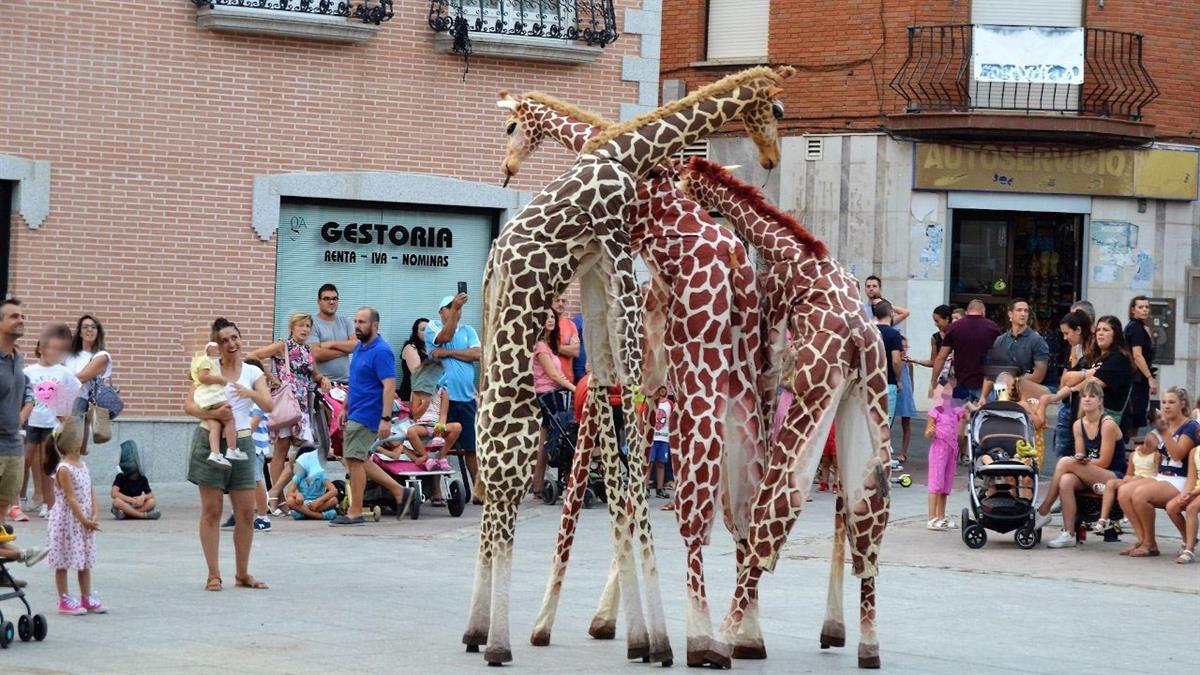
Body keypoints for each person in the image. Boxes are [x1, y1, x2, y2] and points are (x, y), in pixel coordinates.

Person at [184, 318, 273, 591]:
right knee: (211, 511)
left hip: (243, 443)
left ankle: (242, 573)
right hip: (210, 440)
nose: (231, 344)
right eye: (224, 340)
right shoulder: (207, 368)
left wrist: (249, 393)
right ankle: (213, 574)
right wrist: (212, 414)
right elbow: (189, 405)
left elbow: (268, 404)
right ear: (217, 345)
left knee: (246, 513)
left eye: (234, 338)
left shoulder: (252, 372)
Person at [331, 307, 416, 526]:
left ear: (375, 325)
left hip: (369, 413)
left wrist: (385, 419)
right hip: (355, 411)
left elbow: (389, 386)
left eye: (362, 322)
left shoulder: (382, 351)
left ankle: (355, 512)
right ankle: (400, 491)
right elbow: (355, 380)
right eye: (356, 321)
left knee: (355, 461)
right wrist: (344, 407)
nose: (357, 326)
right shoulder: (359, 348)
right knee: (356, 459)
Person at [248, 313, 332, 514]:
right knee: (282, 450)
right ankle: (278, 500)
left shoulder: (307, 349)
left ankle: (276, 494)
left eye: (308, 326)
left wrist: (322, 379)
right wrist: (270, 377)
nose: (304, 330)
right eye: (301, 326)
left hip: (303, 405)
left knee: (307, 448)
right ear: (292, 327)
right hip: (287, 402)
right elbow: (252, 356)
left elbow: (313, 373)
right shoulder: (283, 345)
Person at [1034, 381, 1127, 549]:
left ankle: (1044, 510)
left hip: (1112, 475)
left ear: (1100, 400)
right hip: (1090, 473)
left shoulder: (1108, 424)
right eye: (1084, 396)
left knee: (1065, 462)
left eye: (1092, 396)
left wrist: (1082, 462)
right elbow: (1079, 456)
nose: (1087, 399)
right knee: (1066, 480)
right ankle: (1068, 533)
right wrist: (1080, 460)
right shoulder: (1078, 425)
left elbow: (1105, 462)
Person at [0, 298, 49, 575]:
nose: (20, 320)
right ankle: (20, 555)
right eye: (13, 316)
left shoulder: (18, 359)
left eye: (22, 316)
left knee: (2, 518)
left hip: (12, 446)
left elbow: (27, 393)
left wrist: (17, 420)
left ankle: (2, 571)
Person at [1117, 387, 1196, 557]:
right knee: (1123, 492)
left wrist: (1165, 432)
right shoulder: (1167, 426)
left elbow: (1177, 455)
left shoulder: (1190, 426)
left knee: (1140, 495)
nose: (1166, 406)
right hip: (1163, 476)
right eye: (1164, 402)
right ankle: (1142, 539)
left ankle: (1150, 544)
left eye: (1172, 402)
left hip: (1182, 478)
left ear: (1182, 404)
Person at [43, 419, 105, 615]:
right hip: (67, 522)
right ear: (73, 442)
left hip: (83, 520)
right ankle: (64, 599)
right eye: (81, 438)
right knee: (63, 559)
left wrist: (94, 513)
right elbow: (70, 498)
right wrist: (84, 519)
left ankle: (86, 596)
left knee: (84, 560)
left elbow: (90, 490)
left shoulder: (82, 465)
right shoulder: (64, 469)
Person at [18, 323, 78, 521]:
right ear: (40, 349)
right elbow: (20, 394)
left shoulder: (62, 372)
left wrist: (65, 412)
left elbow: (74, 389)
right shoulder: (28, 371)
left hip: (50, 424)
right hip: (30, 422)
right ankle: (20, 499)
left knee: (47, 464)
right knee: (24, 460)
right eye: (48, 347)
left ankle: (48, 503)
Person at [426, 292, 482, 493]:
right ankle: (436, 492)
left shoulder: (468, 330)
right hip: (444, 398)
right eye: (450, 306)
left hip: (466, 398)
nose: (455, 309)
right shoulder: (433, 327)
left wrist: (448, 352)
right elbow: (445, 336)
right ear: (441, 311)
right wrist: (460, 353)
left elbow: (477, 354)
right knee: (439, 444)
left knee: (471, 447)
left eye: (457, 306)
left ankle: (478, 490)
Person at [1092, 409, 1162, 535]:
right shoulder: (1136, 454)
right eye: (1158, 417)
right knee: (1112, 483)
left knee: (1130, 482)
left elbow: (1157, 474)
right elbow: (1129, 474)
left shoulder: (1157, 453)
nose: (1145, 444)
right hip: (1134, 479)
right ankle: (1102, 520)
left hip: (1149, 480)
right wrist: (1128, 479)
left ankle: (1110, 491)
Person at [530, 309, 576, 501]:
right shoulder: (541, 346)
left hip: (557, 394)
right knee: (547, 441)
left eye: (552, 317)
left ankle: (545, 485)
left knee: (559, 439)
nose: (550, 320)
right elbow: (554, 375)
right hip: (546, 396)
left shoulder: (550, 344)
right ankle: (538, 487)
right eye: (546, 317)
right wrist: (576, 389)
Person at [1040, 311, 1093, 459]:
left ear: (1078, 330)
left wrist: (1076, 378)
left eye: (1066, 333)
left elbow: (1071, 380)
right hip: (1070, 402)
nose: (1065, 338)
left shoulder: (1093, 349)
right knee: (1063, 449)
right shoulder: (1075, 348)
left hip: (1083, 406)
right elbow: (1066, 380)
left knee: (1077, 451)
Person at [929, 298, 1002, 403]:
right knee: (985, 416)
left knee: (960, 417)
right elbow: (999, 357)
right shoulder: (993, 328)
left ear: (967, 312)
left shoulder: (954, 327)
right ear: (983, 312)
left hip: (961, 383)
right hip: (985, 385)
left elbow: (941, 357)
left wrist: (933, 381)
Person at [981, 298, 1049, 401]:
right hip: (1003, 395)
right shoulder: (1000, 340)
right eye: (1019, 310)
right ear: (1010, 314)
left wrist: (1012, 382)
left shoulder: (1037, 341)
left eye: (1026, 311)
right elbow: (991, 373)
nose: (1023, 314)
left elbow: (1039, 375)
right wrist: (983, 396)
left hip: (1028, 396)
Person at [64, 314, 114, 455]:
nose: (89, 330)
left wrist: (61, 379)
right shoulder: (69, 354)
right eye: (85, 327)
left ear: (98, 331)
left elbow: (83, 377)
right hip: (61, 403)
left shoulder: (102, 356)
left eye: (93, 327)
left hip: (80, 404)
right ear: (79, 331)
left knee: (72, 451)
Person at [190, 341, 242, 469]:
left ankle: (215, 453)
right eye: (215, 349)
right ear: (208, 349)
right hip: (211, 396)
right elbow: (203, 377)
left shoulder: (198, 362)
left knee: (215, 426)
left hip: (204, 399)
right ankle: (232, 449)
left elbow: (194, 376)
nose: (217, 351)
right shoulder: (205, 360)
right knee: (229, 417)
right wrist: (221, 380)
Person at [924, 370, 966, 530]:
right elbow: (928, 432)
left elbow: (966, 414)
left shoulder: (955, 410)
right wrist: (930, 432)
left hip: (951, 450)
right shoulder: (935, 412)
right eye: (943, 391)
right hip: (939, 450)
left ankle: (941, 516)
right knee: (936, 482)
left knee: (946, 484)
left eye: (949, 391)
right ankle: (931, 517)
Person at [1087, 316, 1134, 427]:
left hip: (1107, 421)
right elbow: (1067, 379)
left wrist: (1075, 384)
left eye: (1105, 330)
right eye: (1098, 330)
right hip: (1089, 418)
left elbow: (1093, 384)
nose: (1100, 333)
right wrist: (1085, 374)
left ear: (1115, 334)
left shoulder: (1119, 358)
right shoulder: (1093, 356)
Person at [307, 284, 356, 385]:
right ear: (319, 302)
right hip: (322, 384)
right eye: (326, 299)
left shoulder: (346, 321)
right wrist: (345, 350)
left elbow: (356, 345)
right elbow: (316, 354)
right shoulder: (311, 323)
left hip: (346, 383)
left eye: (335, 298)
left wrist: (331, 344)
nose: (331, 302)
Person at [1123, 296, 1156, 439]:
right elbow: (1137, 355)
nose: (1144, 310)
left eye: (1146, 307)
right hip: (1136, 380)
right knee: (1133, 421)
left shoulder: (1139, 327)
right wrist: (1149, 377)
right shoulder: (1136, 328)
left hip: (1136, 379)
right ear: (1133, 309)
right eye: (1140, 307)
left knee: (1134, 421)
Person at [1165, 438, 1200, 563]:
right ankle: (1188, 539)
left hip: (1198, 491)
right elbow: (1192, 478)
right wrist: (1185, 494)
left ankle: (1189, 550)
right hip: (1197, 489)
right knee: (1172, 507)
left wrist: (1193, 493)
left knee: (1192, 508)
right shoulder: (1195, 451)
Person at [110, 440, 160, 520]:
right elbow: (114, 493)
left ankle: (127, 514)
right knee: (116, 502)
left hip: (137, 505)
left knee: (152, 502)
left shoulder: (142, 478)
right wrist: (130, 500)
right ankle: (143, 515)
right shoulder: (121, 476)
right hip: (125, 503)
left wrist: (143, 497)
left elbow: (151, 494)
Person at [873, 303, 904, 426]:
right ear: (891, 313)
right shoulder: (894, 334)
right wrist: (898, 379)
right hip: (889, 382)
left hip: (871, 382)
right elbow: (896, 360)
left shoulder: (870, 332)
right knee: (885, 423)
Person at [285, 451, 337, 521]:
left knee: (333, 500)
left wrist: (319, 500)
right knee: (290, 501)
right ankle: (319, 516)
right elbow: (289, 493)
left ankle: (305, 513)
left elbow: (334, 491)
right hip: (303, 504)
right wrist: (297, 494)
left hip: (317, 504)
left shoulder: (320, 474)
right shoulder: (298, 476)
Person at [399, 317, 430, 405]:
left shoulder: (431, 348)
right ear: (416, 332)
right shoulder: (411, 348)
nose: (427, 332)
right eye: (423, 330)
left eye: (429, 329)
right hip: (410, 396)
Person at [650, 385, 674, 499]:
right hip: (652, 438)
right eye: (660, 388)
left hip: (664, 438)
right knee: (649, 463)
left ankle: (660, 489)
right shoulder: (651, 401)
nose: (663, 391)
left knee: (661, 464)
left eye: (665, 388)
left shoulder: (670, 404)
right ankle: (645, 489)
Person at [551, 296, 580, 384]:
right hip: (548, 381)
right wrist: (567, 348)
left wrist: (553, 347)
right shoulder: (545, 324)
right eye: (557, 300)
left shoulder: (571, 325)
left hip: (567, 379)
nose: (560, 303)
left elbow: (576, 352)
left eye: (563, 301)